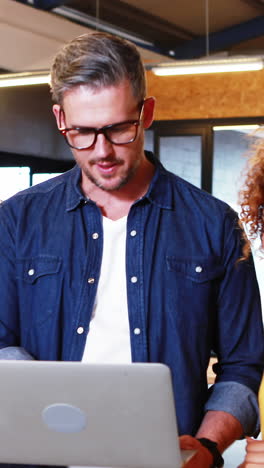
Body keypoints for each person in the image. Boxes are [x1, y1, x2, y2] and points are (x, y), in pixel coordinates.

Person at [0, 31, 263, 468]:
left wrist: (209, 446)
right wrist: (38, 389)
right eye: (81, 132)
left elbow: (243, 365)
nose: (101, 151)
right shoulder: (15, 221)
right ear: (60, 119)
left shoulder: (214, 225)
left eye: (119, 129)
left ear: (147, 113)